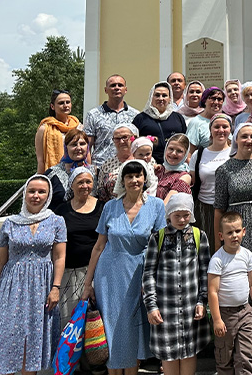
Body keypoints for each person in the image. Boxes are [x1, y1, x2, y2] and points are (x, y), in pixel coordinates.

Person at [82, 160, 167, 375]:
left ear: (145, 178)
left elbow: (160, 247)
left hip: (139, 273)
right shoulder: (110, 207)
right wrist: (87, 283)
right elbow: (99, 246)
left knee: (131, 330)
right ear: (123, 180)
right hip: (108, 275)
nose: (134, 180)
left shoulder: (156, 206)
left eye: (138, 175)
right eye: (129, 176)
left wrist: (152, 281)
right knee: (110, 327)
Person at [0, 174, 66, 375]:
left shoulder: (57, 221)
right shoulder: (11, 223)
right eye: (31, 191)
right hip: (12, 286)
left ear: (48, 195)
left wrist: (56, 287)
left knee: (34, 340)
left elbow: (59, 257)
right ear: (24, 194)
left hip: (43, 287)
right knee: (7, 335)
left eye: (41, 192)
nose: (36, 195)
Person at [142, 193, 212, 375]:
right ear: (169, 215)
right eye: (177, 215)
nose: (182, 219)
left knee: (189, 351)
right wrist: (151, 305)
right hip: (166, 309)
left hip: (191, 308)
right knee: (168, 353)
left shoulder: (199, 235)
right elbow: (149, 273)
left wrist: (201, 301)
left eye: (186, 215)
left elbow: (205, 271)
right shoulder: (158, 238)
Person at [214, 123, 252, 301]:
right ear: (236, 139)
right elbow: (219, 209)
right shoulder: (224, 170)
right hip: (237, 225)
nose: (249, 141)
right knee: (238, 267)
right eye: (244, 136)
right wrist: (218, 244)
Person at [208, 211, 252, 375]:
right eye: (229, 232)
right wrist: (217, 319)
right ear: (221, 235)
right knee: (225, 357)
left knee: (246, 356)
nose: (234, 236)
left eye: (237, 231)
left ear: (244, 231)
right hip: (225, 315)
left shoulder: (247, 255)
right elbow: (212, 291)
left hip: (245, 311)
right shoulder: (218, 260)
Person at [56, 167, 105, 324]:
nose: (85, 186)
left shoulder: (103, 207)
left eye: (88, 182)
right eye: (80, 182)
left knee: (97, 321)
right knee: (69, 320)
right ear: (71, 185)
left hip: (98, 271)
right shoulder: (62, 210)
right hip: (69, 273)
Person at [190, 114, 233, 234]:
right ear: (210, 130)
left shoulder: (235, 153)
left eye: (225, 127)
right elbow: (192, 181)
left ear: (230, 130)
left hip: (228, 208)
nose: (221, 130)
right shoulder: (198, 154)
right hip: (203, 208)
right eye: (216, 127)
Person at [84, 74, 139, 167]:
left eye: (120, 85)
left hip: (128, 168)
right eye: (113, 85)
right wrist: (89, 169)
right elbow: (87, 146)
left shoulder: (136, 115)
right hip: (101, 167)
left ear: (125, 90)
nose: (117, 88)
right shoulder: (93, 114)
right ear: (106, 90)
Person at [133, 81, 187, 165]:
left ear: (170, 99)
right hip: (149, 164)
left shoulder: (177, 118)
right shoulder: (141, 118)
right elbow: (134, 143)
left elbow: (185, 141)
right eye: (157, 95)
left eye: (164, 95)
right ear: (151, 97)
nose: (161, 98)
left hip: (175, 163)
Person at [35, 89, 81, 174]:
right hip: (53, 174)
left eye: (68, 102)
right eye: (61, 103)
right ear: (52, 106)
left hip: (77, 174)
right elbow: (41, 161)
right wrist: (41, 179)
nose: (65, 105)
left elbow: (86, 154)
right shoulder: (44, 129)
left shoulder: (79, 127)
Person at [46, 128, 91, 211]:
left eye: (82, 144)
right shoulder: (52, 174)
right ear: (66, 148)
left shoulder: (94, 172)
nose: (78, 148)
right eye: (74, 144)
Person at [95, 123, 138, 202]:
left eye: (125, 137)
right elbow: (102, 193)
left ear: (134, 137)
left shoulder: (144, 160)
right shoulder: (107, 165)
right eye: (117, 139)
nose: (121, 142)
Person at [154, 134, 192, 202]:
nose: (174, 153)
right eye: (171, 149)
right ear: (166, 149)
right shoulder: (158, 170)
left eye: (179, 151)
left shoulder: (184, 177)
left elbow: (168, 203)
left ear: (185, 154)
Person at [186, 87, 226, 152]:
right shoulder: (196, 122)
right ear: (205, 101)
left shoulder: (225, 120)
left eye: (219, 99)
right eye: (213, 98)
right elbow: (189, 153)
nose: (216, 102)